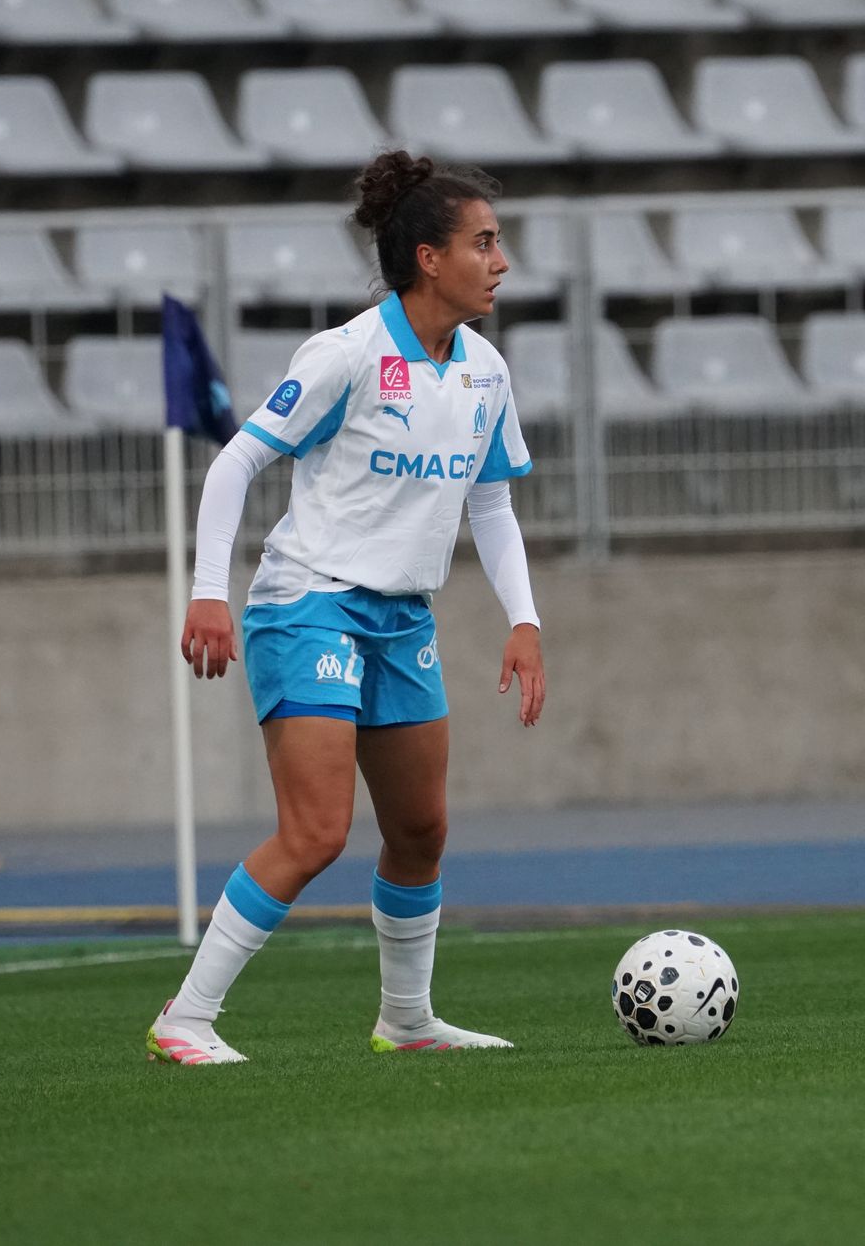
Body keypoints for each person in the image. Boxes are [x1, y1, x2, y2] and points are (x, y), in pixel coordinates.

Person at [146, 150, 544, 1064]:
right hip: (309, 605)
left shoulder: (485, 371)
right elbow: (237, 461)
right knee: (318, 831)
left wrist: (524, 621)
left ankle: (406, 1020)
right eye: (484, 242)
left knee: (421, 830)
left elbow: (491, 504)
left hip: (403, 620)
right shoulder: (348, 354)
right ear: (428, 259)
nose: (502, 260)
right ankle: (186, 1016)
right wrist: (208, 594)